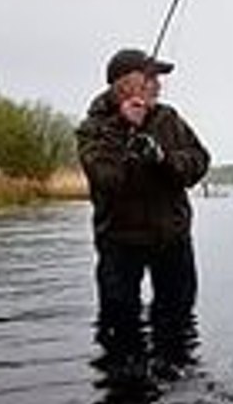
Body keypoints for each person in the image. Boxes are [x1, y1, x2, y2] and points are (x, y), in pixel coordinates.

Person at [76, 48, 210, 381]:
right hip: (120, 243)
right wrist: (124, 129)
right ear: (126, 84)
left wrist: (163, 158)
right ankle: (125, 395)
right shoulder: (93, 129)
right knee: (119, 326)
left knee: (178, 320)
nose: (158, 85)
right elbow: (107, 179)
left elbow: (199, 162)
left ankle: (178, 391)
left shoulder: (169, 118)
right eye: (151, 78)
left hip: (172, 239)